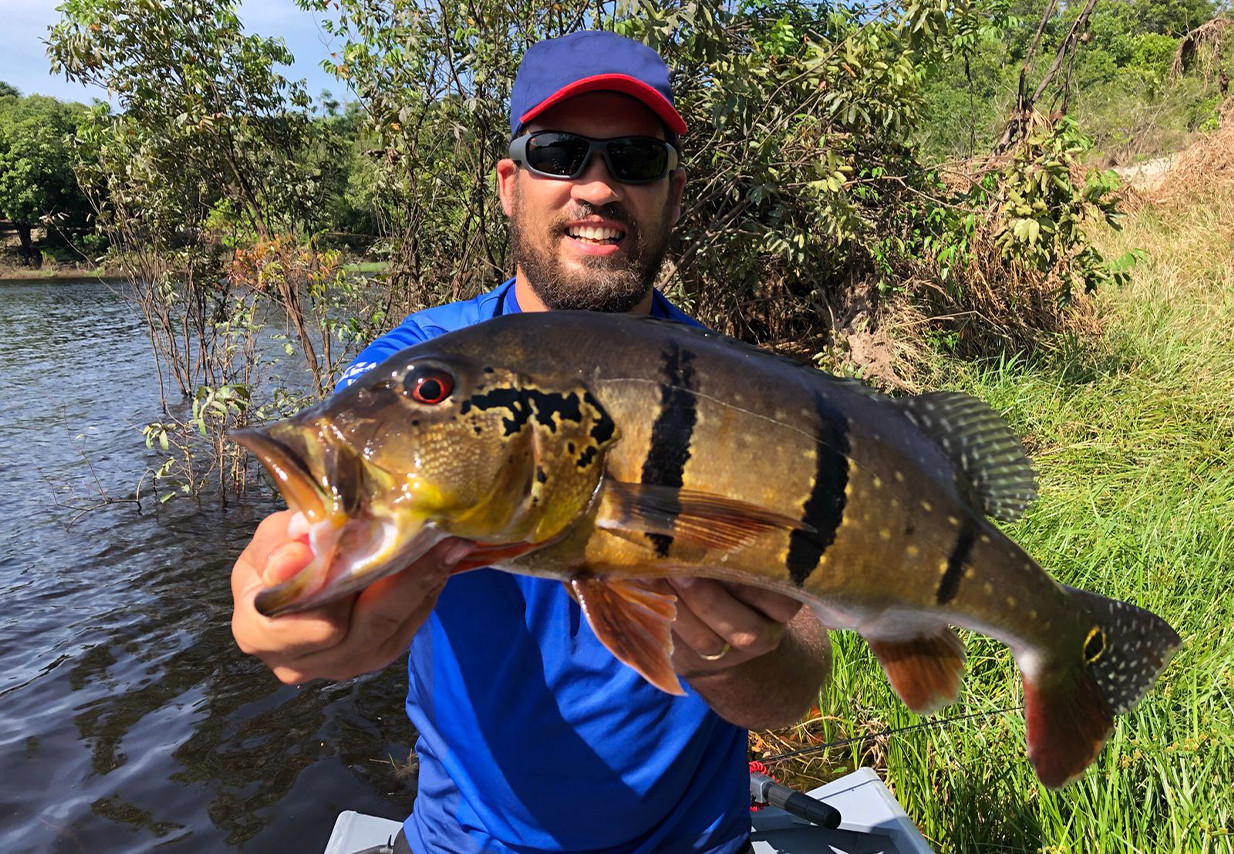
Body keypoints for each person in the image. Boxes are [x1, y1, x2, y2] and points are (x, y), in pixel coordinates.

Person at [230, 30, 832, 854]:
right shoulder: (426, 365)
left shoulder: (736, 396)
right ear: (510, 184)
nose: (597, 185)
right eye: (559, 152)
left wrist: (749, 661)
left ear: (674, 192)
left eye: (635, 159)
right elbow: (302, 528)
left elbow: (798, 677)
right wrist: (273, 609)